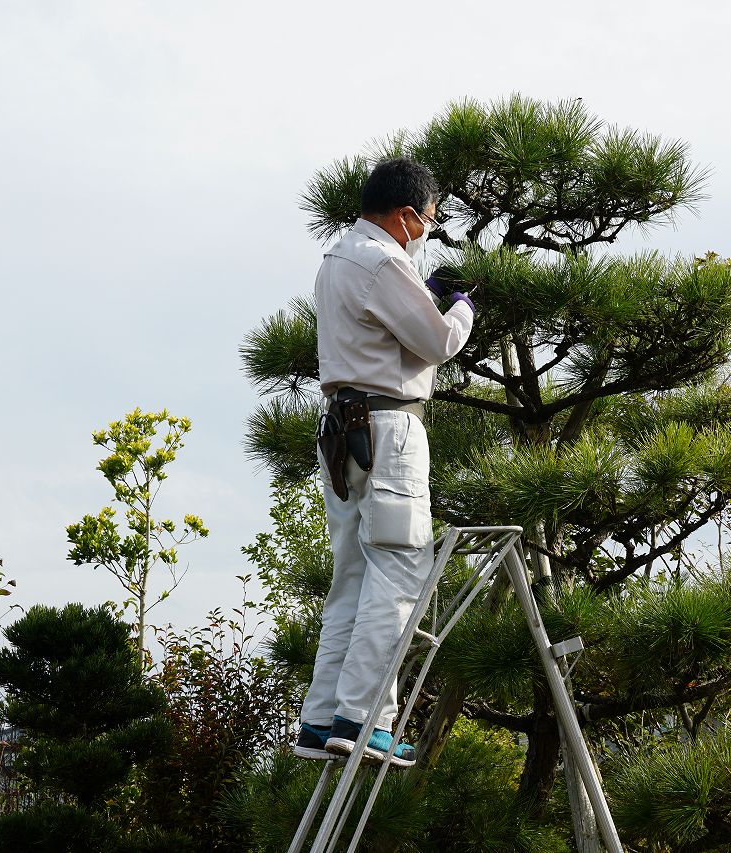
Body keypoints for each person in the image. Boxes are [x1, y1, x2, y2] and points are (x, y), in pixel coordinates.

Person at [293, 158, 475, 768]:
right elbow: (438, 342)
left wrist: (423, 283)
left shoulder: (339, 257)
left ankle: (321, 720)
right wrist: (462, 304)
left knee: (350, 577)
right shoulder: (386, 262)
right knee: (398, 571)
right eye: (426, 220)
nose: (427, 230)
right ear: (403, 216)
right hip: (391, 428)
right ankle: (366, 718)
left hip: (342, 431)